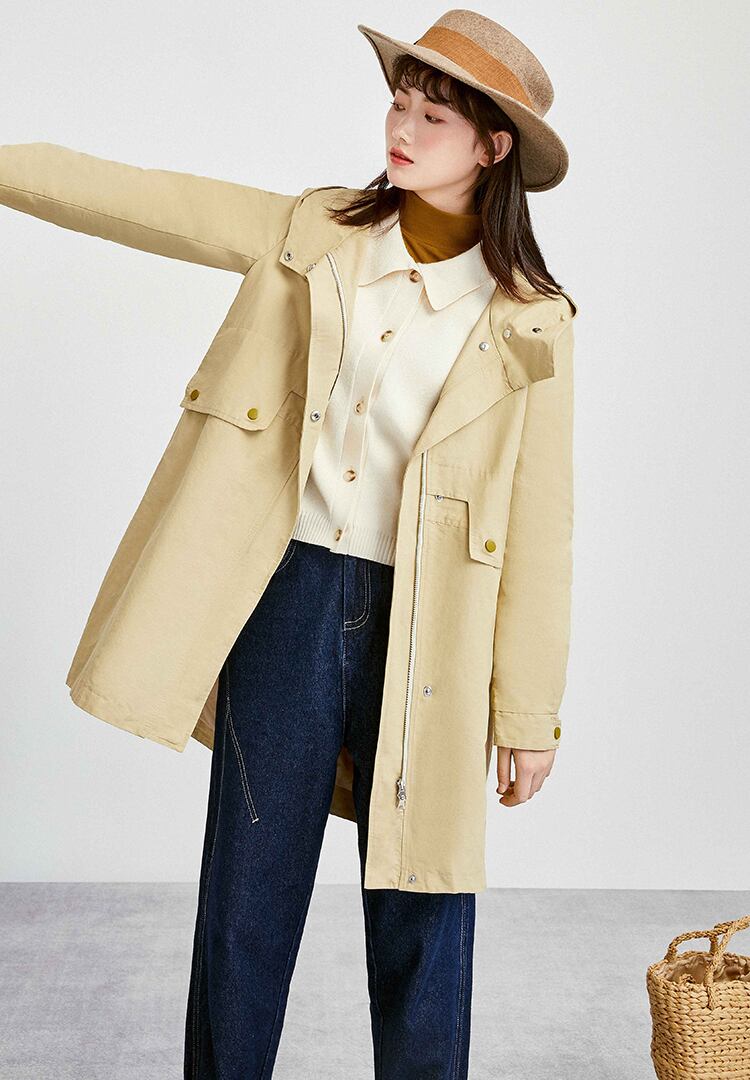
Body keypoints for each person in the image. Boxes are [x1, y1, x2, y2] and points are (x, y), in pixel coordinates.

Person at [0, 10, 578, 1078]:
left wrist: (528, 713)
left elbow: (543, 525)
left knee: (423, 907)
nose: (401, 128)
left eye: (434, 117)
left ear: (493, 147)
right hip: (289, 597)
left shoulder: (530, 319)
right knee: (247, 899)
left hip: (433, 630)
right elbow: (139, 199)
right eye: (399, 103)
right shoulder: (314, 232)